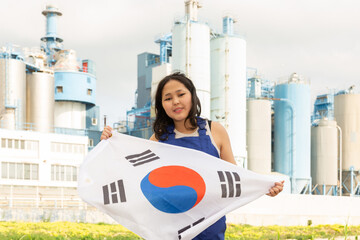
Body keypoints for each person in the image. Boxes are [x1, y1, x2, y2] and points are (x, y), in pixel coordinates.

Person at [101, 72, 284, 240]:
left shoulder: (215, 131)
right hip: (172, 228)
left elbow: (235, 177)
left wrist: (263, 187)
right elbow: (133, 175)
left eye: (181, 94)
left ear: (192, 96)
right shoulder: (158, 139)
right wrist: (110, 144)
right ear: (161, 105)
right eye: (168, 98)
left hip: (211, 228)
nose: (175, 102)